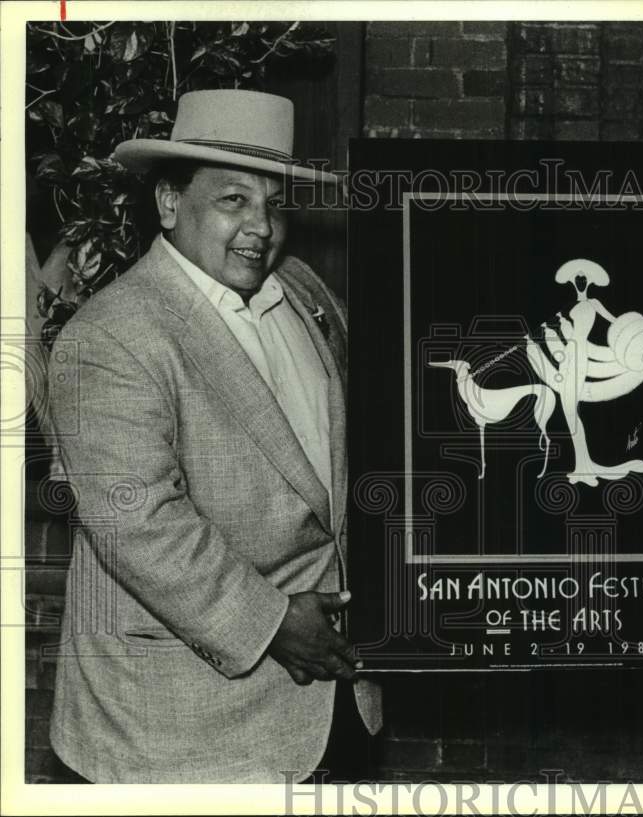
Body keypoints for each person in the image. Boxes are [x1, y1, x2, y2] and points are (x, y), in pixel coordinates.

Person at [46, 89, 380, 783]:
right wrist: (274, 622)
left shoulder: (305, 293)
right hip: (175, 735)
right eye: (233, 200)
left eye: (273, 202)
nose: (261, 226)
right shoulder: (111, 335)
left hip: (328, 716)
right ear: (170, 203)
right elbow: (139, 522)